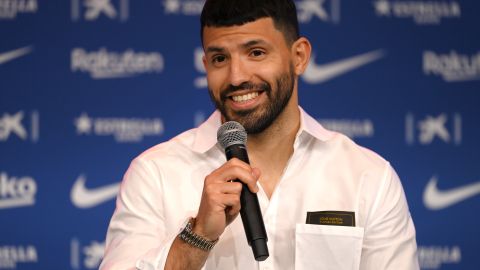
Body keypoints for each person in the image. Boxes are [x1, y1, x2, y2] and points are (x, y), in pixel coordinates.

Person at [100, 0, 419, 269]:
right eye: (220, 59)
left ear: (299, 57)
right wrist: (197, 238)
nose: (237, 77)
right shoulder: (154, 173)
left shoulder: (369, 178)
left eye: (255, 53)